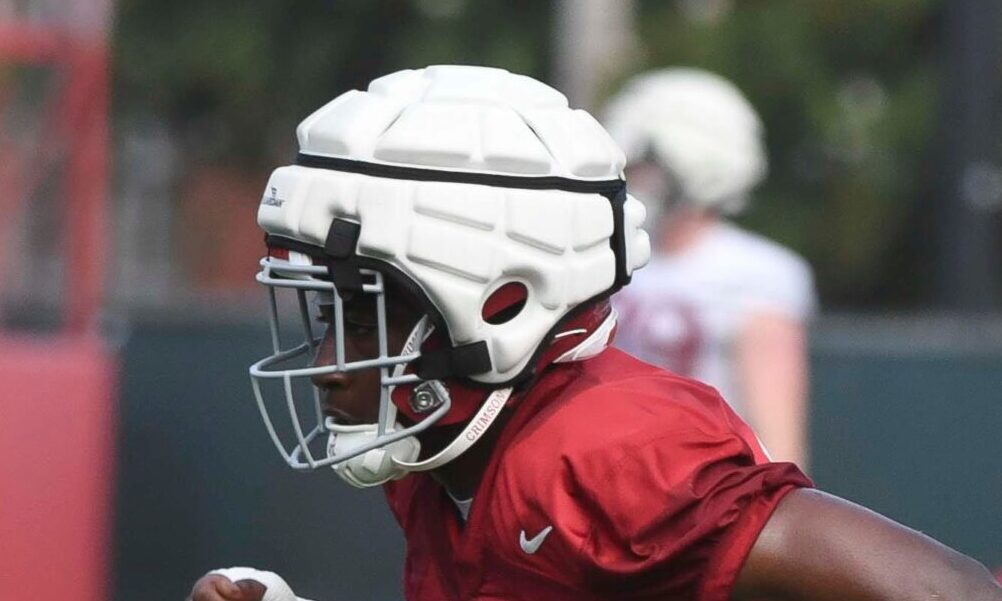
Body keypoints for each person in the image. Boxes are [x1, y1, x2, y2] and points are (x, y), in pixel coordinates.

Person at [187, 65, 1001, 601]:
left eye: (364, 316)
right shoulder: (439, 457)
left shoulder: (602, 459)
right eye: (331, 315)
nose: (329, 365)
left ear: (495, 301)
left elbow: (954, 592)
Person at [602, 68, 816, 468]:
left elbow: (779, 446)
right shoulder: (606, 257)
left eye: (646, 163)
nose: (631, 177)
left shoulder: (758, 274)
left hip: (700, 493)